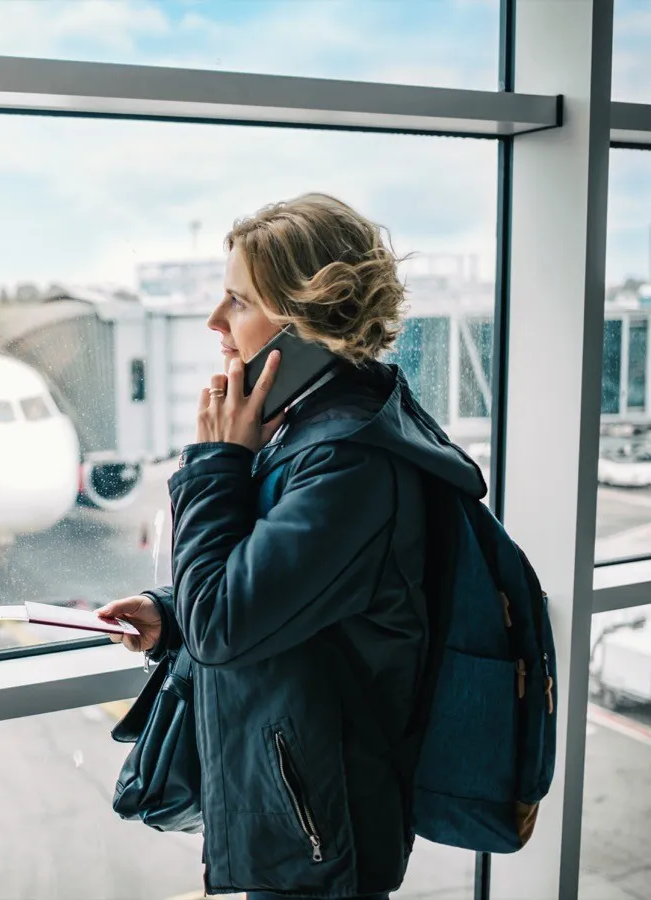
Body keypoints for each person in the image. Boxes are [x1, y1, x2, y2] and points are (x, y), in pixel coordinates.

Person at [98, 194, 485, 900]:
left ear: (306, 320)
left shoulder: (347, 463)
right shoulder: (318, 431)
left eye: (238, 301)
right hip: (304, 793)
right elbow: (290, 596)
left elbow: (226, 628)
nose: (216, 322)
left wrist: (216, 463)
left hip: (323, 817)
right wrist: (173, 610)